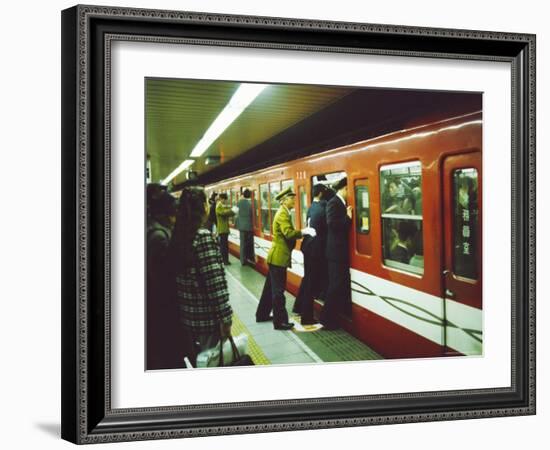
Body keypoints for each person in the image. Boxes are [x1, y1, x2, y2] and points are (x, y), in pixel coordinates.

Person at [169, 186, 233, 361]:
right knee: (213, 362)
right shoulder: (202, 237)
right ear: (202, 207)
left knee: (200, 362)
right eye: (206, 202)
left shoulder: (179, 236)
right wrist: (226, 318)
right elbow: (215, 285)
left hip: (188, 319)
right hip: (207, 321)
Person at [256, 187, 316, 330]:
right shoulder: (283, 214)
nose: (293, 201)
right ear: (283, 201)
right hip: (278, 258)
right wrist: (303, 232)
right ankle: (280, 321)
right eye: (291, 198)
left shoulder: (284, 213)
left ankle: (262, 314)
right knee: (278, 291)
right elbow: (288, 233)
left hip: (276, 256)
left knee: (269, 289)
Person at [146, 185, 185, 369]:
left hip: (160, 311)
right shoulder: (159, 238)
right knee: (170, 357)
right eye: (174, 211)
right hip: (164, 313)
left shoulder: (155, 231)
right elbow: (164, 281)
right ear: (165, 213)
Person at [293, 183, 329, 324]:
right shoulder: (322, 209)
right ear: (320, 194)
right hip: (315, 250)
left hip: (308, 247)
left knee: (307, 279)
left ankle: (298, 307)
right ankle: (306, 317)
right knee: (311, 282)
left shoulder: (311, 207)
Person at [320, 176, 353, 330]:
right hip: (335, 252)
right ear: (345, 188)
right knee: (335, 286)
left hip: (338, 252)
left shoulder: (340, 202)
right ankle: (327, 320)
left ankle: (333, 317)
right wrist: (347, 218)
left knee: (338, 285)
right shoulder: (334, 202)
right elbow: (332, 224)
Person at [236, 188, 255, 266]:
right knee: (249, 244)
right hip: (249, 226)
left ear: (243, 195)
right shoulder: (251, 203)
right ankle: (249, 258)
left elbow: (235, 212)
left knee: (242, 244)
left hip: (241, 226)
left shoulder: (238, 203)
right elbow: (252, 214)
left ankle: (243, 261)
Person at [215, 193, 235, 265]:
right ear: (221, 199)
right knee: (223, 246)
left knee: (225, 246)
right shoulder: (219, 206)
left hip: (224, 229)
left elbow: (226, 212)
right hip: (222, 229)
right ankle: (224, 260)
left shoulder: (221, 205)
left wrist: (232, 212)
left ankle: (225, 260)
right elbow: (223, 213)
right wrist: (232, 211)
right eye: (224, 199)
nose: (225, 201)